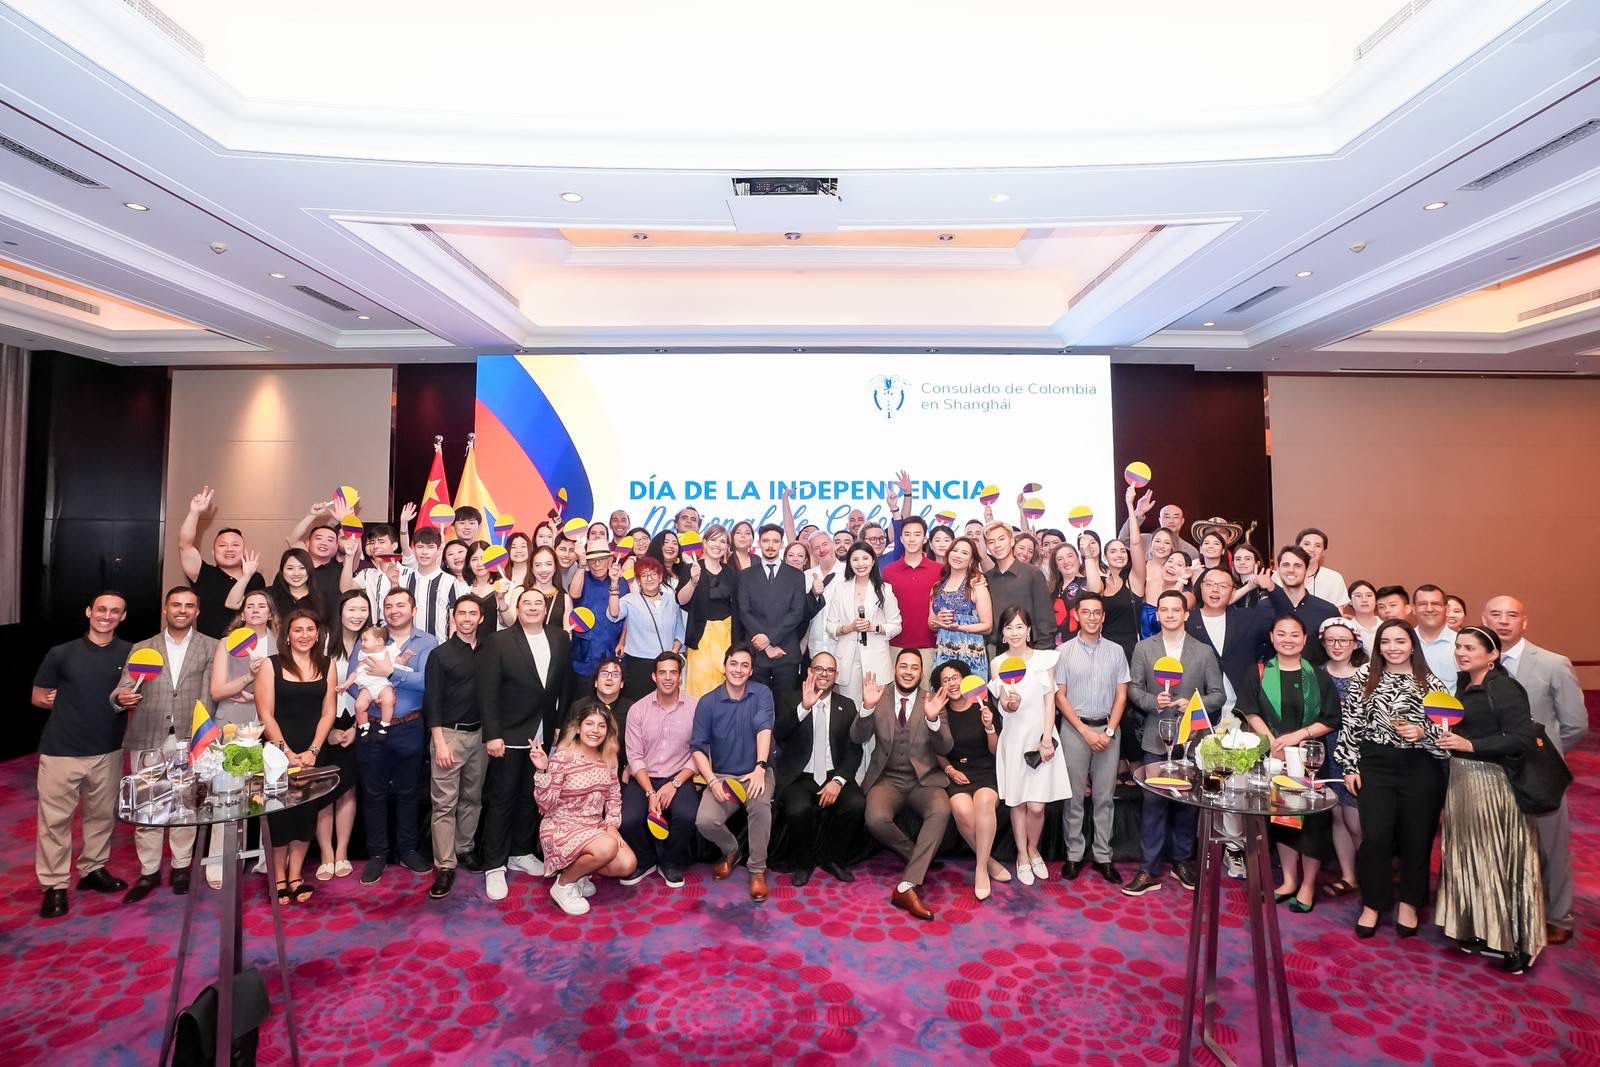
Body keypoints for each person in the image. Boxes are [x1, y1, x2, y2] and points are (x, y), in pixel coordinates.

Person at [1435, 626, 1545, 974]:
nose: (1461, 652)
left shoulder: (1505, 688)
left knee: (1499, 858)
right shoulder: (1464, 683)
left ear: (1492, 653)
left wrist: (1472, 746)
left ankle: (1516, 943)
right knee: (1471, 857)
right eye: (1458, 646)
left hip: (1494, 783)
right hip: (1464, 781)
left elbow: (1522, 739)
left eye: (1470, 647)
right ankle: (1481, 930)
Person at [1333, 620, 1450, 939]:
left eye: (1400, 641)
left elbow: (1447, 733)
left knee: (1418, 838)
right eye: (1386, 642)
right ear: (1378, 646)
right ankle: (1373, 903)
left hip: (1420, 766)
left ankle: (1410, 903)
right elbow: (1351, 725)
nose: (1393, 647)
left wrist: (1424, 732)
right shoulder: (1364, 678)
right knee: (1376, 837)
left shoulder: (1431, 682)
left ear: (1412, 644)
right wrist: (1349, 766)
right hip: (1375, 765)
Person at [1482, 595, 1587, 946]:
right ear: (1484, 618)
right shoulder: (1474, 665)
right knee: (1503, 842)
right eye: (1495, 614)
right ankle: (1509, 908)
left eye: (1512, 615)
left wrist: (1546, 757)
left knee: (1550, 845)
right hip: (1492, 770)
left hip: (1540, 771)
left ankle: (1558, 915)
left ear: (1524, 622)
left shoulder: (1553, 663)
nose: (1503, 621)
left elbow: (1575, 724)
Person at [32, 592, 133, 918]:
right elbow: (37, 697)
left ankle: (93, 869)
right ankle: (55, 885)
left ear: (123, 616)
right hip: (61, 750)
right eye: (101, 609)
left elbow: (134, 693)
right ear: (89, 611)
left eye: (114, 611)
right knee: (54, 822)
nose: (107, 615)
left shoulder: (131, 653)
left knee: (102, 816)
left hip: (108, 749)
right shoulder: (61, 653)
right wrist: (60, 701)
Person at [112, 586, 216, 902]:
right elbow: (122, 689)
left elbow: (209, 695)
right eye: (176, 605)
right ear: (165, 609)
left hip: (189, 738)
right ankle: (149, 871)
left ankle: (182, 866)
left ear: (197, 612)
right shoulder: (143, 647)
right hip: (148, 735)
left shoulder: (210, 647)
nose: (182, 610)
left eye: (189, 606)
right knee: (148, 806)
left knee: (187, 804)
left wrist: (206, 736)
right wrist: (121, 698)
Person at [1234, 615, 1341, 913]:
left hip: (1310, 758)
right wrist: (1272, 741)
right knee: (1281, 818)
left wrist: (1296, 736)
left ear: (1305, 640)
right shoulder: (1258, 672)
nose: (1288, 639)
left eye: (1295, 634)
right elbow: (1249, 709)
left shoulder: (1318, 677)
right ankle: (1290, 880)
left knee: (1313, 823)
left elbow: (1331, 719)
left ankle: (1308, 886)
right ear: (1271, 637)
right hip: (1275, 757)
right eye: (1281, 634)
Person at [1124, 590, 1225, 897]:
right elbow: (1133, 690)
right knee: (1153, 803)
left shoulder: (1204, 652)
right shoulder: (1144, 648)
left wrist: (1192, 703)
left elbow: (1218, 694)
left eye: (1174, 610)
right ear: (1158, 616)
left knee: (1188, 805)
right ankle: (1149, 868)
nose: (1168, 615)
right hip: (1157, 735)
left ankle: (1183, 861)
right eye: (1163, 610)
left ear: (1185, 615)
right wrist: (1153, 701)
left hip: (1193, 739)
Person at [479, 589, 571, 900]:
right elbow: (487, 691)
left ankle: (520, 851)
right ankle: (494, 864)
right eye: (526, 603)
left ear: (546, 609)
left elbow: (562, 686)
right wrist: (492, 734)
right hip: (508, 732)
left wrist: (559, 724)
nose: (533, 608)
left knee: (530, 797)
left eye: (538, 604)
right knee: (502, 798)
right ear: (517, 609)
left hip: (544, 731)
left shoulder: (559, 639)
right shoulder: (499, 641)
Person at [853, 649, 954, 919]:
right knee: (875, 818)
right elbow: (857, 737)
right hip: (887, 778)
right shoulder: (879, 695)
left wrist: (933, 720)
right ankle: (920, 857)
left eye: (914, 667)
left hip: (924, 780)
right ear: (895, 669)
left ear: (921, 673)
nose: (909, 671)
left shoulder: (932, 700)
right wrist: (867, 707)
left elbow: (946, 745)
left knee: (941, 810)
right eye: (904, 666)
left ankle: (907, 885)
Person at [355, 588, 438, 885]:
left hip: (410, 726)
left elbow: (427, 681)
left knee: (408, 792)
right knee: (374, 792)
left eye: (400, 605)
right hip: (373, 725)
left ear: (413, 609)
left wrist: (390, 673)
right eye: (388, 605)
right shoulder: (369, 639)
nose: (394, 610)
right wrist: (369, 691)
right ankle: (377, 854)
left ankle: (408, 849)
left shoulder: (427, 642)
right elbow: (354, 678)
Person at [255, 610, 336, 905]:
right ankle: (277, 877)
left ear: (318, 634)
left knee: (305, 815)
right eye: (298, 630)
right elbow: (265, 714)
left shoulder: (327, 664)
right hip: (279, 753)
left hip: (313, 750)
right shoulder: (270, 665)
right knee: (280, 816)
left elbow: (329, 711)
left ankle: (296, 874)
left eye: (310, 629)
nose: (304, 635)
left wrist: (313, 750)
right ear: (287, 635)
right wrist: (287, 752)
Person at [989, 607, 1071, 884]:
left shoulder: (1045, 659)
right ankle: (1022, 854)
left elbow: (1050, 701)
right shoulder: (998, 663)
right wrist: (1009, 702)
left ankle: (1034, 848)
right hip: (1014, 739)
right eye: (1009, 627)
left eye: (1020, 626)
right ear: (1002, 633)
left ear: (1029, 630)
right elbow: (1003, 704)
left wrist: (1048, 738)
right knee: (1019, 801)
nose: (1015, 632)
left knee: (1037, 806)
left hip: (1042, 737)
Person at [1053, 592, 1130, 885]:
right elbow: (1060, 696)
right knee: (1073, 797)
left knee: (1104, 798)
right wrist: (1084, 731)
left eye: (1097, 612)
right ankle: (1074, 854)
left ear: (1103, 616)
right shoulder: (1064, 652)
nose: (1092, 617)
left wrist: (1109, 731)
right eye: (1086, 612)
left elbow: (1122, 695)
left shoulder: (1116, 651)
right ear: (1077, 616)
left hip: (1109, 731)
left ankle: (1103, 856)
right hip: (1075, 730)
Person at [773, 653, 868, 886]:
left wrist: (838, 781)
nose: (824, 673)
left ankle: (834, 859)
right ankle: (803, 864)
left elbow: (854, 750)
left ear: (836, 676)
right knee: (798, 809)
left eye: (830, 670)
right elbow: (779, 733)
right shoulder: (790, 699)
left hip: (832, 773)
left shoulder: (847, 706)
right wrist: (804, 707)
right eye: (819, 668)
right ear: (809, 671)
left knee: (857, 804)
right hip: (799, 775)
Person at [691, 644, 776, 902]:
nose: (738, 670)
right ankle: (731, 851)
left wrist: (760, 767)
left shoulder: (762, 693)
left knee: (760, 807)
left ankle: (757, 870)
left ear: (751, 671)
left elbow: (764, 729)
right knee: (704, 821)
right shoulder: (707, 702)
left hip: (756, 771)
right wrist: (712, 780)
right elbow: (697, 748)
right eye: (734, 664)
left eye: (745, 665)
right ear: (724, 666)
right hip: (723, 776)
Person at [532, 705, 636, 915]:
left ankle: (580, 874)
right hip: (561, 827)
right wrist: (542, 769)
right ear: (578, 728)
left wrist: (612, 826)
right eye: (589, 724)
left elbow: (614, 798)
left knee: (628, 864)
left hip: (593, 828)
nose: (595, 730)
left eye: (601, 726)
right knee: (607, 847)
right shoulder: (563, 757)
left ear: (607, 731)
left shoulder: (609, 760)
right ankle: (563, 885)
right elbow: (545, 805)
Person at [423, 597, 488, 900]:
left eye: (472, 613)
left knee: (473, 798)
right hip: (448, 736)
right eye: (461, 613)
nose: (466, 618)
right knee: (444, 804)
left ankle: (465, 849)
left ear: (481, 618)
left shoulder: (489, 650)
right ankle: (445, 865)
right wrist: (439, 742)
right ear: (453, 617)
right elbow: (432, 701)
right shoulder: (440, 654)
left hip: (481, 737)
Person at [620, 654, 702, 889]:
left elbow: (699, 753)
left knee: (687, 815)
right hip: (645, 776)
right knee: (628, 819)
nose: (668, 678)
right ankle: (646, 860)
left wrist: (674, 784)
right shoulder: (638, 710)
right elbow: (634, 757)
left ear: (680, 677)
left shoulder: (695, 708)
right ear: (654, 677)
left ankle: (669, 862)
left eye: (673, 672)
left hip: (679, 776)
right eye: (662, 672)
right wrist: (649, 792)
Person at [930, 660, 1009, 900]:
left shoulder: (982, 706)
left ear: (965, 679)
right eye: (946, 680)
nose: (952, 683)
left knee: (984, 803)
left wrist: (989, 727)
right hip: (957, 773)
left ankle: (980, 869)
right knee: (961, 810)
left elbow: (996, 751)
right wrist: (950, 771)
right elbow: (937, 752)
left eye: (955, 677)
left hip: (985, 770)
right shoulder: (939, 714)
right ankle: (990, 861)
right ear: (940, 687)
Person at [315, 590, 366, 880]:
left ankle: (342, 851)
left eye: (362, 610)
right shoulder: (322, 641)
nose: (357, 615)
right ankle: (324, 853)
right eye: (351, 609)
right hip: (325, 721)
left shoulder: (371, 642)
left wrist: (356, 728)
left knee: (347, 789)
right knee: (324, 790)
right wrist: (328, 730)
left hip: (357, 721)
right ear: (340, 611)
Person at [1317, 617, 1366, 901]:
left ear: (1355, 643)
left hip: (1357, 754)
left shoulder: (1368, 674)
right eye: (1331, 640)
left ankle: (1372, 871)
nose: (1337, 646)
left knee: (1356, 820)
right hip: (1324, 749)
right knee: (1336, 815)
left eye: (1344, 641)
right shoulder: (1318, 673)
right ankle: (1348, 875)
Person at [177, 486, 267, 638]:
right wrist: (195, 513)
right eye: (223, 545)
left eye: (235, 545)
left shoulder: (256, 579)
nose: (229, 549)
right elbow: (185, 545)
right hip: (210, 647)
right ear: (213, 552)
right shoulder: (204, 573)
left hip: (246, 647)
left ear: (244, 551)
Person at [1185, 566, 1272, 721]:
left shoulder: (1247, 618)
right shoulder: (1187, 622)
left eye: (1223, 586)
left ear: (1232, 592)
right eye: (1210, 584)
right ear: (1201, 587)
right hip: (1200, 710)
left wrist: (1272, 588)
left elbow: (1287, 621)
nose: (1215, 590)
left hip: (1243, 709)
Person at [735, 524, 807, 706]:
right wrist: (765, 646)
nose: (770, 545)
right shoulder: (745, 575)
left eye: (775, 541)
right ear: (759, 543)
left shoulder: (796, 576)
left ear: (782, 544)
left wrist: (770, 639)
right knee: (755, 706)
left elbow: (797, 613)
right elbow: (744, 612)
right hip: (756, 653)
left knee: (786, 708)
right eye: (766, 541)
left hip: (786, 652)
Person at [825, 545, 902, 714]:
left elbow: (896, 626)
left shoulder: (884, 589)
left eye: (865, 558)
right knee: (850, 709)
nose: (861, 563)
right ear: (849, 563)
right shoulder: (841, 588)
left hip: (876, 657)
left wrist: (874, 627)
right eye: (855, 559)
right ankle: (851, 741)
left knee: (876, 710)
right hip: (848, 658)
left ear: (873, 561)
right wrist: (849, 627)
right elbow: (830, 626)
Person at [609, 555, 686, 708]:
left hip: (666, 666)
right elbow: (614, 614)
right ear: (638, 580)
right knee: (639, 708)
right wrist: (614, 584)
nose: (649, 578)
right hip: (638, 666)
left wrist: (672, 654)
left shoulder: (672, 600)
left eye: (653, 574)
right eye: (644, 575)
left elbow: (680, 632)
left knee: (667, 707)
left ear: (660, 577)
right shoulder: (630, 600)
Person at [679, 524, 739, 700]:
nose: (717, 545)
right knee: (699, 690)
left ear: (727, 547)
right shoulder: (691, 568)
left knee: (726, 689)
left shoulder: (731, 573)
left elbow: (736, 607)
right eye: (713, 539)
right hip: (700, 636)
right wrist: (693, 581)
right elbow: (681, 601)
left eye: (723, 541)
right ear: (704, 543)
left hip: (726, 636)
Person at [567, 539, 629, 705]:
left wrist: (623, 641)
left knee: (610, 703)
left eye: (601, 559)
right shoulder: (582, 577)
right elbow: (574, 593)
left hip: (611, 648)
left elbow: (628, 616)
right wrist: (581, 565)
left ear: (610, 559)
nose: (596, 564)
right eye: (592, 560)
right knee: (581, 702)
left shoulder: (620, 582)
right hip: (584, 652)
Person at [882, 516, 942, 679]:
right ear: (901, 538)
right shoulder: (889, 571)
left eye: (917, 534)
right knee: (895, 697)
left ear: (924, 539)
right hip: (895, 645)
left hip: (929, 645)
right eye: (907, 534)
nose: (912, 539)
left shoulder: (940, 570)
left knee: (926, 697)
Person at [983, 524, 1053, 652]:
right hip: (997, 652)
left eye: (1001, 539)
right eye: (991, 542)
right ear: (987, 547)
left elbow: (1045, 618)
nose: (997, 545)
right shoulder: (987, 578)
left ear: (1011, 541)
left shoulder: (1032, 574)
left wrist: (1043, 652)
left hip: (1031, 649)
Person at [1265, 546, 1339, 665]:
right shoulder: (1261, 608)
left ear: (1307, 570)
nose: (1291, 570)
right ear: (1278, 569)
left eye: (1298, 566)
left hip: (1316, 680)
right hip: (1272, 680)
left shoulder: (1328, 611)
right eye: (1286, 565)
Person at [931, 536, 992, 680]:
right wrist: (937, 620)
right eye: (955, 550)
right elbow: (931, 624)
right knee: (943, 698)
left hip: (971, 655)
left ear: (971, 560)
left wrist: (959, 627)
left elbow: (988, 626)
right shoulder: (937, 587)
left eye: (964, 553)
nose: (958, 555)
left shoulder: (976, 585)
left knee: (972, 700)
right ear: (948, 554)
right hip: (943, 653)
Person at [405, 527, 465, 642]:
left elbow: (454, 620)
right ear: (413, 549)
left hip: (439, 647)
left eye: (430, 547)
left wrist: (451, 650)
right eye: (420, 547)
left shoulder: (450, 581)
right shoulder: (405, 578)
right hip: (408, 647)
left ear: (438, 551)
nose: (425, 552)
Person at [348, 625, 403, 736]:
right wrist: (346, 684)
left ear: (379, 641)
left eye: (365, 640)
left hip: (383, 685)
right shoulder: (362, 654)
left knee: (388, 700)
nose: (362, 643)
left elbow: (399, 663)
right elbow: (355, 672)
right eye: (361, 640)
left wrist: (404, 659)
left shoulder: (388, 651)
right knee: (359, 705)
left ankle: (384, 724)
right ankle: (363, 726)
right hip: (367, 687)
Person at [1280, 528, 1349, 607]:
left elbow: (1338, 616)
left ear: (1323, 552)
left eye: (1318, 546)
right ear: (1297, 547)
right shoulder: (1280, 576)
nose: (1311, 549)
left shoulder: (1334, 578)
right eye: (1306, 544)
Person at [266, 548, 328, 632]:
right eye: (290, 568)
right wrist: (246, 576)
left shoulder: (322, 598)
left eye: (302, 568)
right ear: (282, 570)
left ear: (309, 570)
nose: (296, 573)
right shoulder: (268, 596)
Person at [1412, 584, 1459, 694]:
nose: (1429, 609)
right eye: (1423, 604)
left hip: (1450, 709)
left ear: (1446, 609)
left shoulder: (1460, 643)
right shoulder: (1403, 642)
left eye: (1436, 604)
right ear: (1413, 609)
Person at [1346, 580, 1381, 651]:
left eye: (1369, 595)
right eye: (1358, 596)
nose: (1364, 600)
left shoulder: (1385, 626)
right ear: (1350, 602)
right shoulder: (1347, 629)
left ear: (1376, 600)